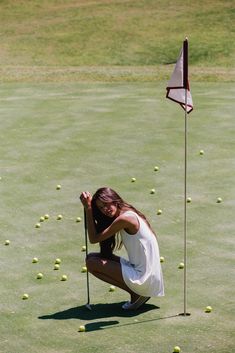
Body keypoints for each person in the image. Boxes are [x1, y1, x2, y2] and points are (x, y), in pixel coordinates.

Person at [80, 187, 164, 310]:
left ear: (114, 200)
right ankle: (137, 292)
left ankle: (136, 293)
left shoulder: (125, 218)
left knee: (92, 263)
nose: (105, 210)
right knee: (92, 257)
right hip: (148, 276)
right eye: (101, 208)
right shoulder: (126, 211)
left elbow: (93, 239)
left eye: (106, 204)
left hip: (144, 279)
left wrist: (88, 209)